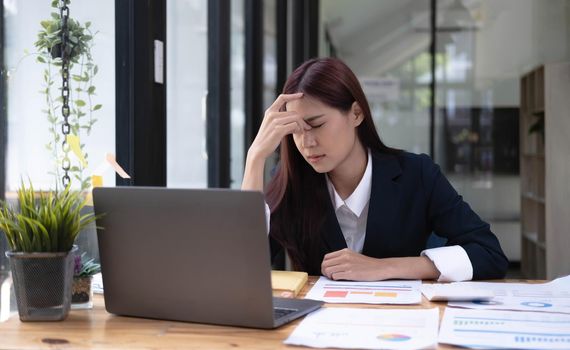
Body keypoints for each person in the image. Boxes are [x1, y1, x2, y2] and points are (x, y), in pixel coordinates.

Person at [242, 57, 508, 282]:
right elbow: (243, 266)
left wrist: (385, 267)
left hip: (400, 328)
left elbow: (489, 253)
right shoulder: (292, 181)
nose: (307, 142)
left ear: (356, 114)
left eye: (317, 124)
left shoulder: (417, 174)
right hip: (320, 334)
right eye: (296, 130)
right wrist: (255, 159)